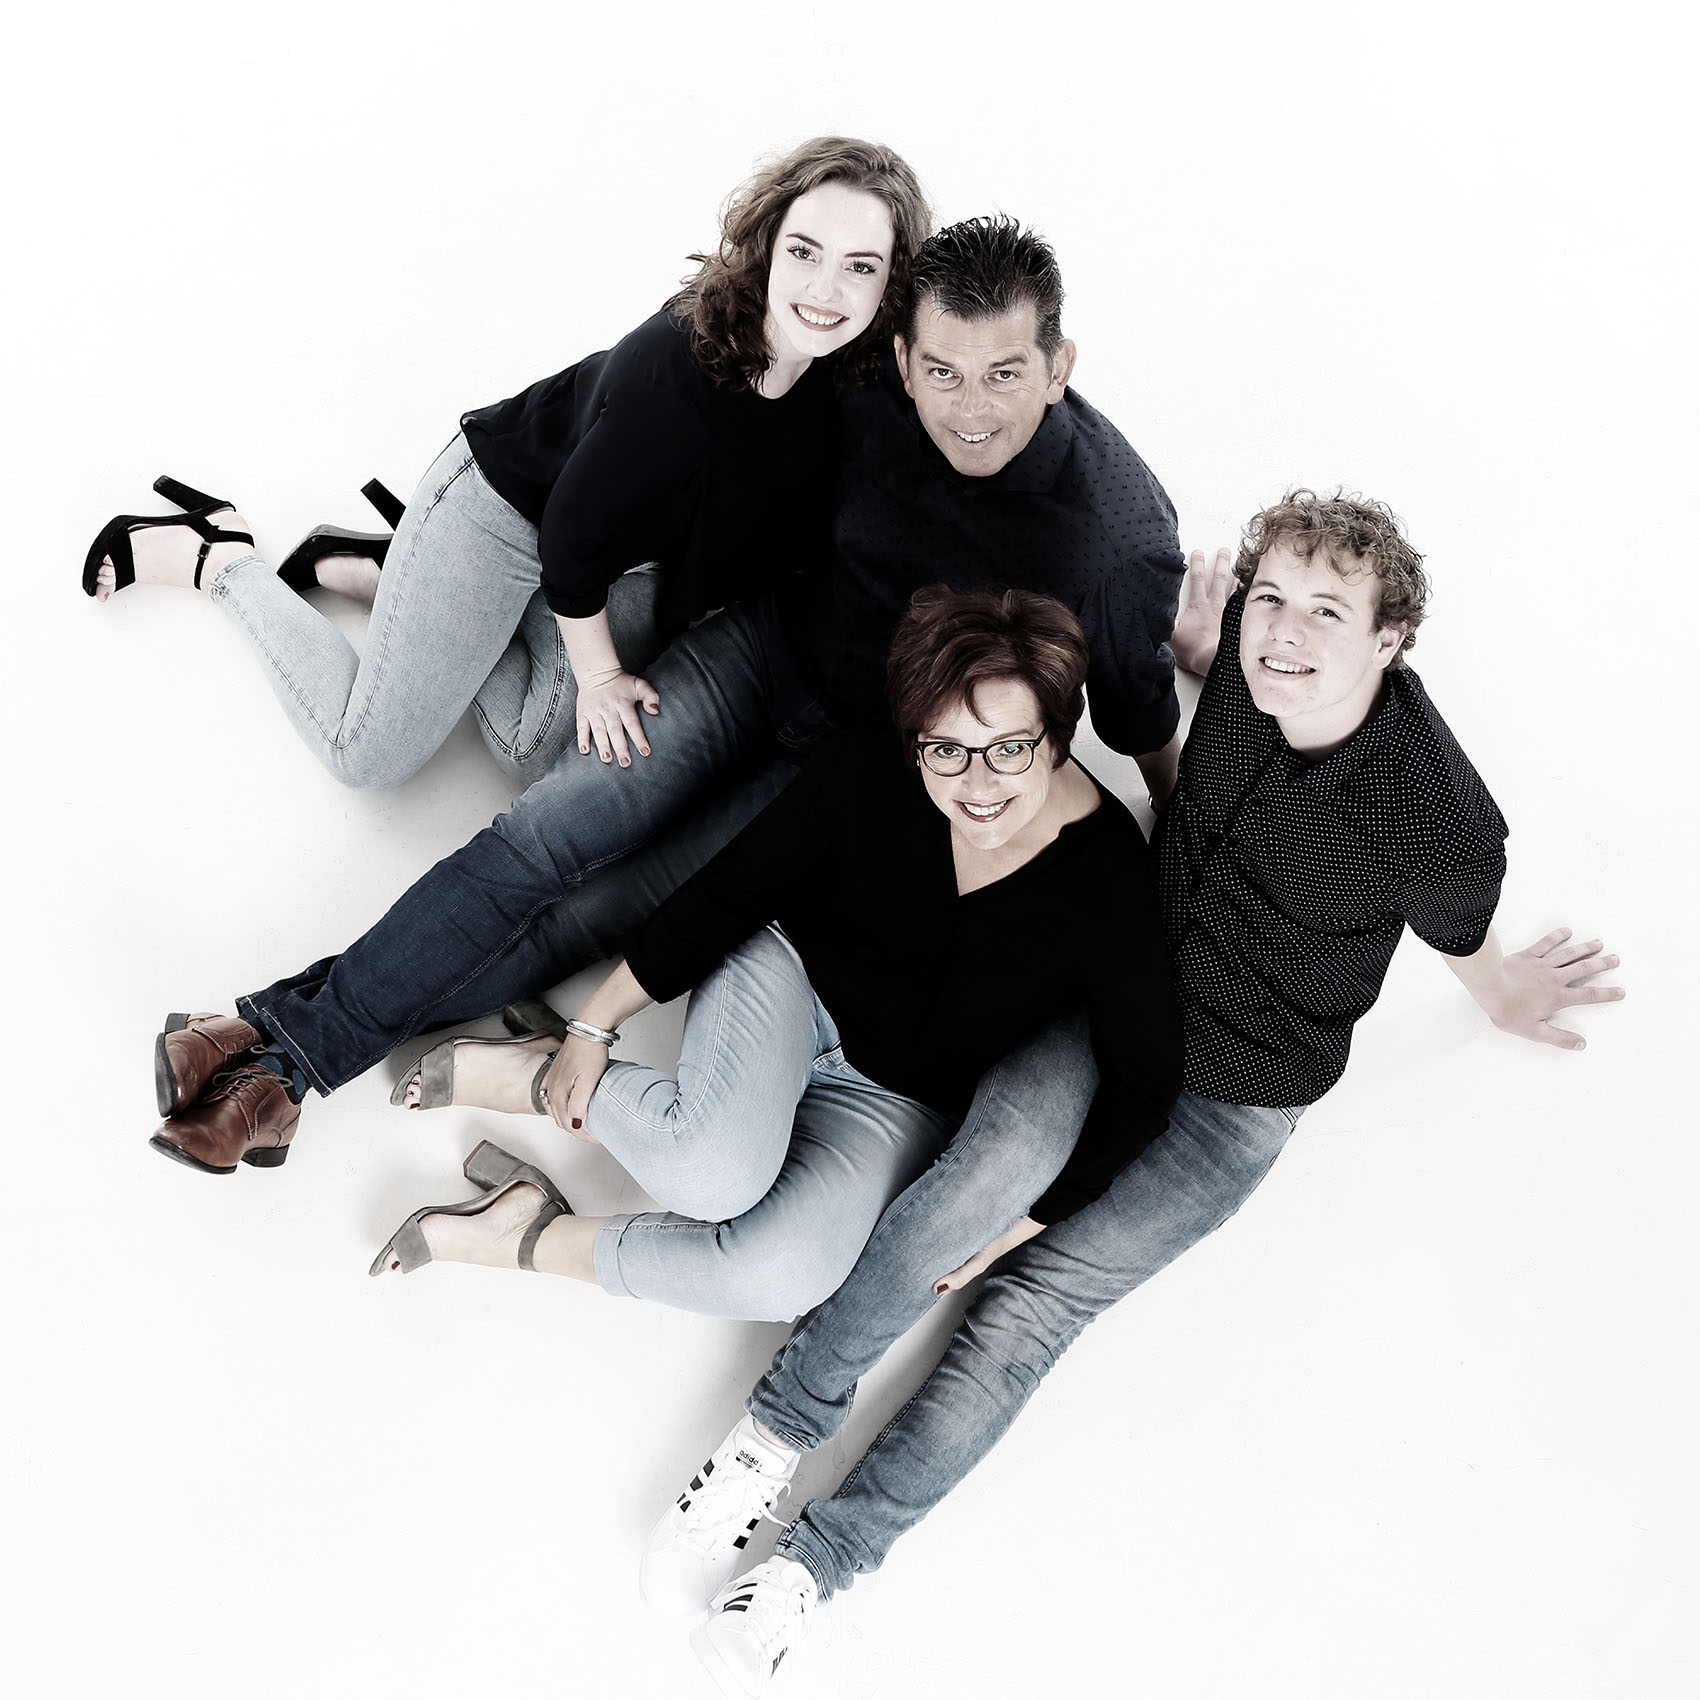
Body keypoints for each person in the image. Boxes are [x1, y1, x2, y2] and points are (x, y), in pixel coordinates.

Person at [639, 492, 1626, 1699]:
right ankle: (765, 1441)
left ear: (1389, 639)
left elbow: (1459, 929)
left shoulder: (1432, 815)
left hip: (1234, 1096)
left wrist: (1501, 993)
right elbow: (1188, 785)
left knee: (1024, 1309)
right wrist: (1203, 659)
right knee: (968, 1193)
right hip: (1114, 1001)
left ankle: (812, 1567)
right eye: (1270, 597)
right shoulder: (1242, 679)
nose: (1285, 629)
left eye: (1326, 611)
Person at [145, 216, 1188, 1180]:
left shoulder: (1115, 541)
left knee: (594, 919)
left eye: (1005, 373)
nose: (970, 409)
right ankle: (286, 1061)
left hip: (850, 764)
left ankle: (261, 1047)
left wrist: (1177, 830)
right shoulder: (865, 379)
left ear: (1059, 366)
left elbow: (1138, 717)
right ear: (904, 356)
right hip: (759, 653)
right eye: (944, 371)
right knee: (544, 834)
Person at [362, 588, 1183, 1324]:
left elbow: (1145, 1087)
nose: (978, 784)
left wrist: (1026, 1221)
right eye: (947, 749)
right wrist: (593, 1026)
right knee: (709, 1172)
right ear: (915, 740)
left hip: (896, 1101)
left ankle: (525, 1233)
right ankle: (544, 1072)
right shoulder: (872, 762)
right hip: (792, 979)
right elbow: (734, 889)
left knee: (785, 1277)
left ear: (1057, 738)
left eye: (1009, 748)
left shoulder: (1111, 880)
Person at [82, 137, 928, 788]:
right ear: (768, 244)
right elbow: (570, 533)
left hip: (629, 551)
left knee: (529, 753)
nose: (826, 291)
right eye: (805, 252)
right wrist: (601, 675)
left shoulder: (844, 379)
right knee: (364, 756)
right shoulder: (676, 378)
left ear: (889, 286)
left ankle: (395, 574)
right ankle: (221, 557)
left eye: (860, 267)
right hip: (510, 513)